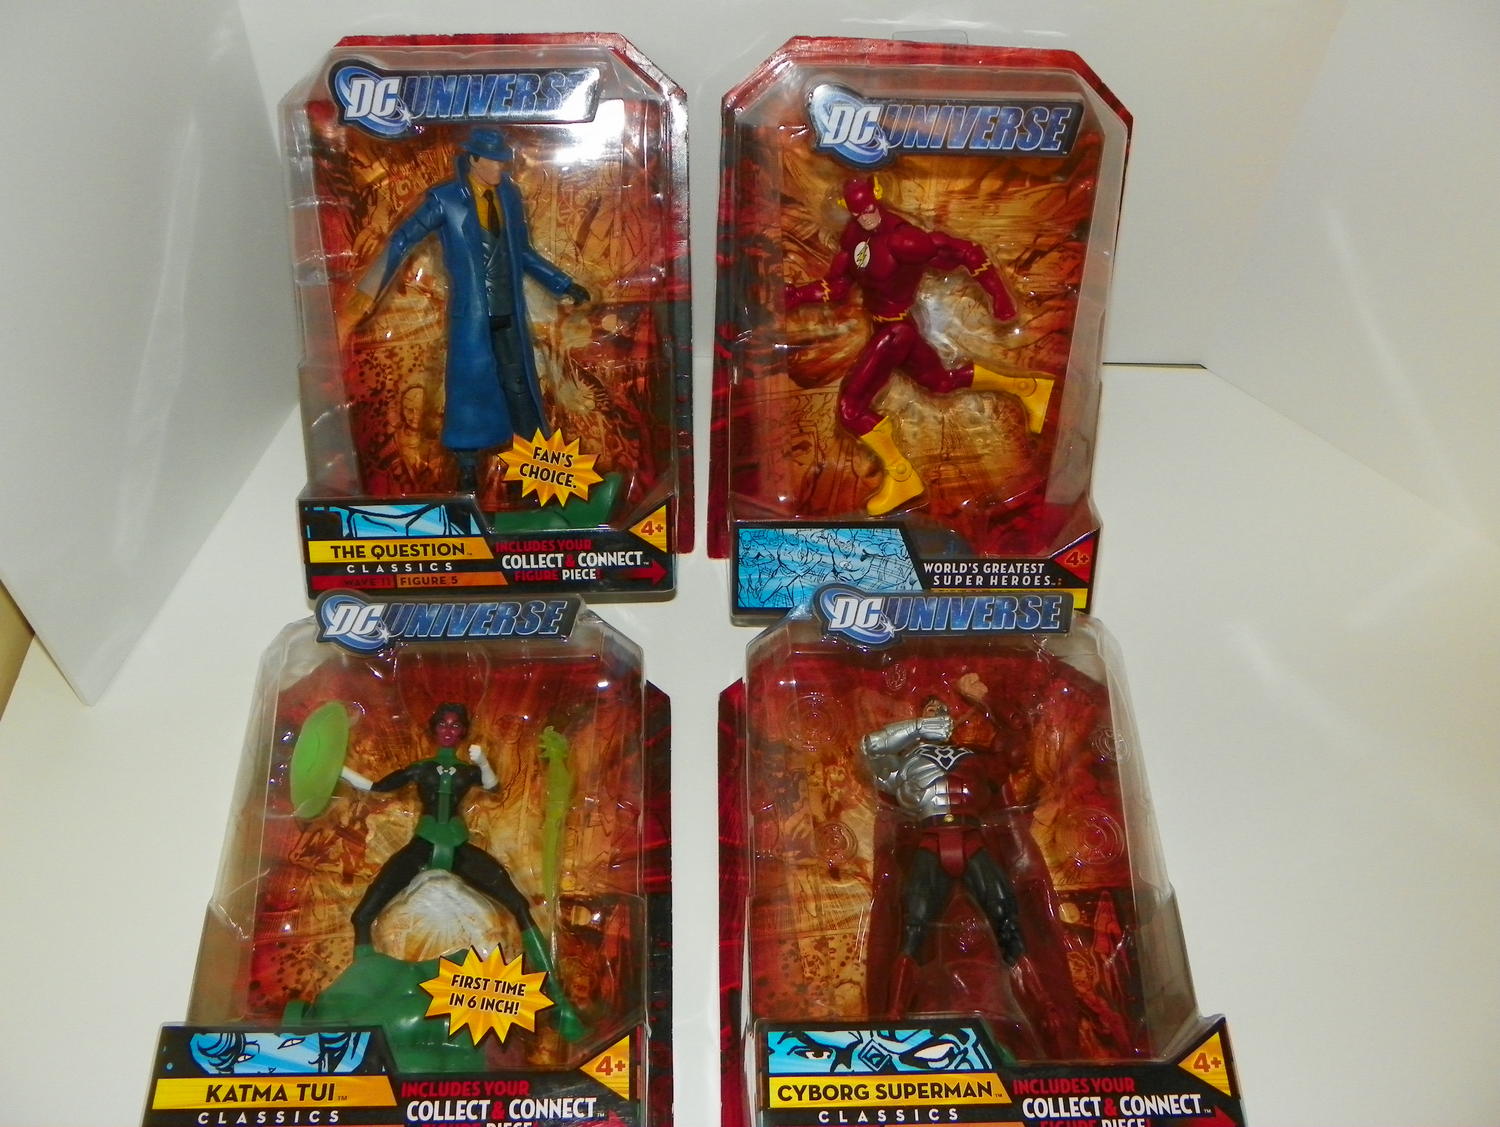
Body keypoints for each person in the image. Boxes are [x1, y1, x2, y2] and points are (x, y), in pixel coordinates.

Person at [785, 177, 1053, 515]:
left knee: (851, 408)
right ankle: (1029, 388)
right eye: (858, 212)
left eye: (868, 209)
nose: (866, 217)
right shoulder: (854, 236)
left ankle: (902, 477)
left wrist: (998, 295)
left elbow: (965, 251)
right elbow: (838, 284)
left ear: (877, 199)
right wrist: (797, 295)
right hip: (891, 327)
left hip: (896, 331)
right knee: (940, 382)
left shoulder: (904, 239)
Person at [346, 128, 590, 492]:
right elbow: (402, 239)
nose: (499, 167)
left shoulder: (509, 196)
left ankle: (539, 468)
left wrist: (563, 284)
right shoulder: (445, 200)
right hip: (472, 315)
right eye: (492, 160)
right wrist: (369, 291)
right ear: (473, 159)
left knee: (520, 386)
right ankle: (467, 470)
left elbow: (523, 253)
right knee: (468, 390)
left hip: (509, 313)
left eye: (502, 161)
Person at [340, 702, 583, 1040]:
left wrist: (482, 761)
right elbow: (376, 787)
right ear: (434, 729)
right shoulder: (421, 769)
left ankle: (558, 1001)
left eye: (455, 725)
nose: (449, 730)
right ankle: (358, 998)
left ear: (463, 731)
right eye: (443, 724)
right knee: (363, 916)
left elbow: (492, 786)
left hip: (458, 846)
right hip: (423, 845)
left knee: (518, 905)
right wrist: (338, 771)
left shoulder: (467, 771)